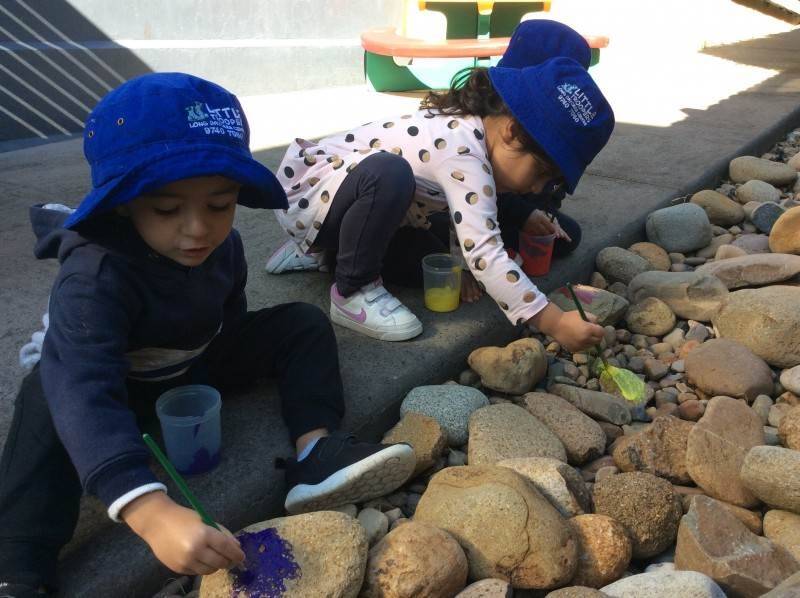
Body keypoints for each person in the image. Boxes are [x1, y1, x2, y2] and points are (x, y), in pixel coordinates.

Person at [0, 73, 415, 598]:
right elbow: (83, 384)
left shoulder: (226, 246)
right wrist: (150, 511)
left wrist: (219, 365)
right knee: (46, 397)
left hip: (193, 359)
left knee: (301, 323)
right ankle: (20, 557)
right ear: (123, 203)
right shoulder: (95, 273)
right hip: (116, 379)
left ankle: (315, 451)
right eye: (168, 209)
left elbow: (229, 316)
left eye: (219, 205)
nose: (198, 229)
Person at [265, 58, 613, 347]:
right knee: (388, 172)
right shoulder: (463, 151)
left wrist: (459, 266)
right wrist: (552, 321)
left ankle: (319, 249)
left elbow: (463, 216)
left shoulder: (476, 139)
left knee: (425, 260)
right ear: (511, 131)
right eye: (539, 173)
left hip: (345, 204)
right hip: (310, 195)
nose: (535, 188)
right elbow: (484, 249)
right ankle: (351, 291)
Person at [494, 19, 594, 269]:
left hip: (503, 210)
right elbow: (468, 182)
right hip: (460, 204)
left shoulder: (558, 130)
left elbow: (550, 191)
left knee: (567, 236)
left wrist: (543, 214)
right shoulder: (485, 117)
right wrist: (522, 213)